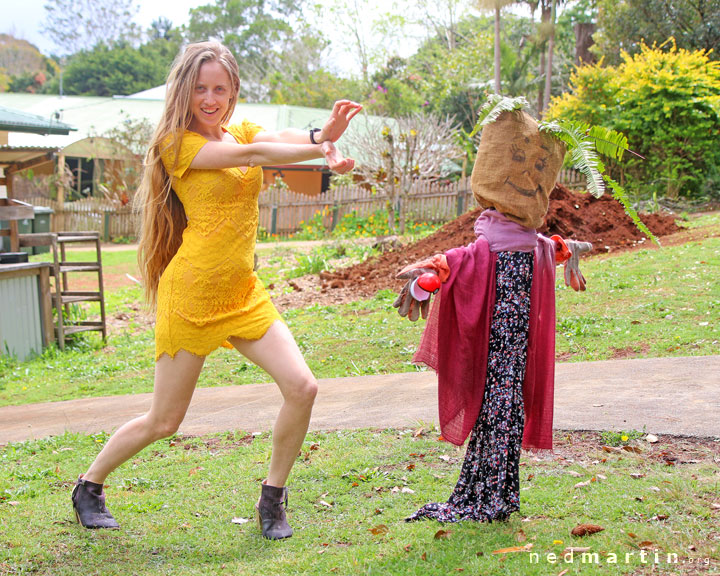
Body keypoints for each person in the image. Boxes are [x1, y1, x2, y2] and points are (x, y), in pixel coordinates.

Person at [71, 41, 362, 540]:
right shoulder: (176, 143)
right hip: (191, 295)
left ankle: (273, 499)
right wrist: (320, 144)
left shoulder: (241, 127)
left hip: (242, 292)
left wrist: (320, 137)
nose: (211, 98)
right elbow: (251, 154)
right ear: (185, 90)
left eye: (220, 89)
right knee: (164, 420)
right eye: (201, 88)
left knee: (303, 387)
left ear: (233, 92)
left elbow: (272, 137)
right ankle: (89, 486)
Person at [393, 100, 592, 523]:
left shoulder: (508, 241)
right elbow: (465, 261)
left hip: (499, 367)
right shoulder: (523, 242)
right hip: (508, 368)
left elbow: (460, 261)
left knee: (497, 415)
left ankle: (488, 500)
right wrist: (428, 275)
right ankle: (493, 497)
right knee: (500, 415)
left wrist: (433, 273)